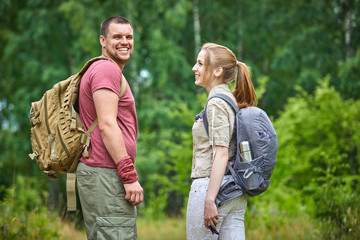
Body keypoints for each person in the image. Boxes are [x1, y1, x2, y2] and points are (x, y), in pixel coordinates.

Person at [76, 16, 143, 240]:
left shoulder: (106, 70)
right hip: (106, 173)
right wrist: (128, 175)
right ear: (103, 41)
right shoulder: (107, 70)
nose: (124, 42)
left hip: (102, 173)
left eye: (129, 37)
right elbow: (106, 125)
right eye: (117, 37)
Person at [186, 43, 257, 239]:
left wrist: (210, 199)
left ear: (217, 71)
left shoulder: (216, 103)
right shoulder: (231, 100)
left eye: (200, 63)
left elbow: (222, 153)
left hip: (212, 187)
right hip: (234, 192)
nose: (194, 68)